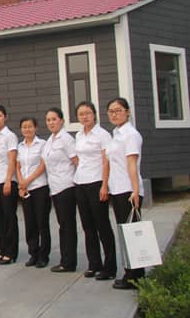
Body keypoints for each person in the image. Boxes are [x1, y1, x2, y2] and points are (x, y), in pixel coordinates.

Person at [105, 97, 145, 290]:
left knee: (131, 234)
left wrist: (135, 190)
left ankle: (133, 277)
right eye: (111, 111)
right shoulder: (116, 134)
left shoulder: (130, 135)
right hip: (117, 189)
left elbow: (132, 164)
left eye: (118, 110)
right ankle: (134, 273)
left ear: (127, 112)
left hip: (128, 190)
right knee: (125, 232)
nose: (114, 114)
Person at [74, 101, 116, 281]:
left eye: (88, 113)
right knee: (87, 226)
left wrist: (105, 185)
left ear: (94, 114)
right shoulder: (78, 135)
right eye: (81, 114)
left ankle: (110, 267)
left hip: (97, 183)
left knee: (102, 225)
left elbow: (106, 161)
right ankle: (94, 263)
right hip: (80, 182)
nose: (85, 117)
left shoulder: (103, 135)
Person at [42, 108, 78, 273]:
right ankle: (65, 259)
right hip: (55, 187)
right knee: (62, 225)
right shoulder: (50, 140)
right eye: (48, 120)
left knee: (67, 225)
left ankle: (69, 262)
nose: (51, 122)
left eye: (54, 119)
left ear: (62, 121)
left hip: (66, 186)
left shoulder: (66, 139)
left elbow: (77, 162)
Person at [16, 117, 50, 268]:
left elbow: (42, 166)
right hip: (25, 189)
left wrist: (27, 180)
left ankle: (44, 255)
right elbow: (17, 167)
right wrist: (21, 184)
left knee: (42, 222)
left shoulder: (42, 144)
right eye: (24, 127)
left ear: (36, 128)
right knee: (30, 223)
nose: (27, 129)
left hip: (39, 186)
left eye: (30, 126)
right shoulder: (20, 146)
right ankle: (33, 253)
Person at [0, 105, 19, 265]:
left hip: (6, 181)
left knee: (9, 217)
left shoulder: (10, 136)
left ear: (5, 117)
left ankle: (11, 252)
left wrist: (8, 180)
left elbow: (12, 159)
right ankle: (2, 249)